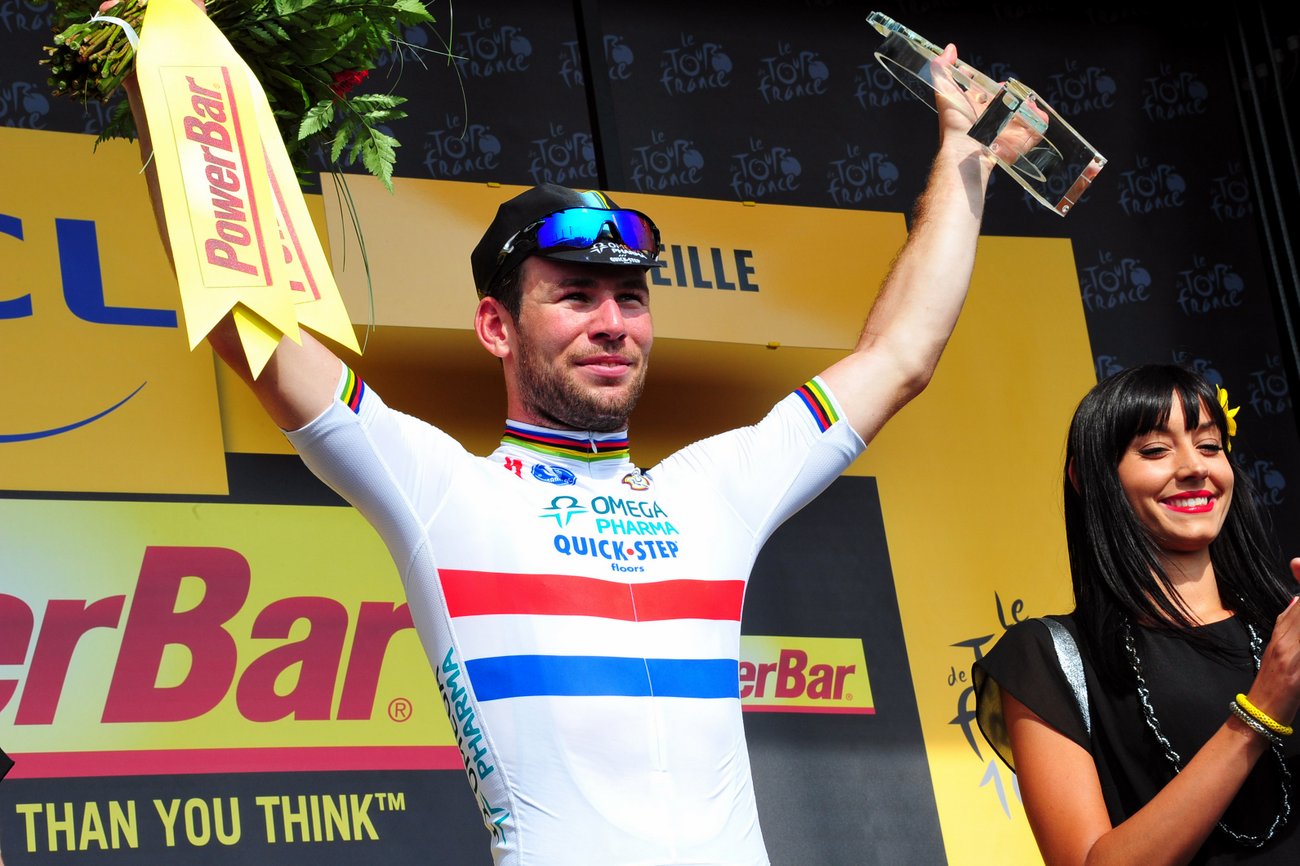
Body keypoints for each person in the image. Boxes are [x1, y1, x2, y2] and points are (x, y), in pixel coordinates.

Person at [125, 26, 1010, 862]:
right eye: (576, 296)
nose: (612, 323)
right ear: (495, 327)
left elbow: (899, 355)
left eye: (631, 299)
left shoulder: (710, 490)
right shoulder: (442, 490)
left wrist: (962, 155)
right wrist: (158, 54)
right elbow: (250, 324)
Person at [974, 364, 1300, 866]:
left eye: (1210, 446)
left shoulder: (1286, 622)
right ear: (1088, 478)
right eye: (1155, 450)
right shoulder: (1048, 657)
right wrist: (1260, 713)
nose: (1195, 468)